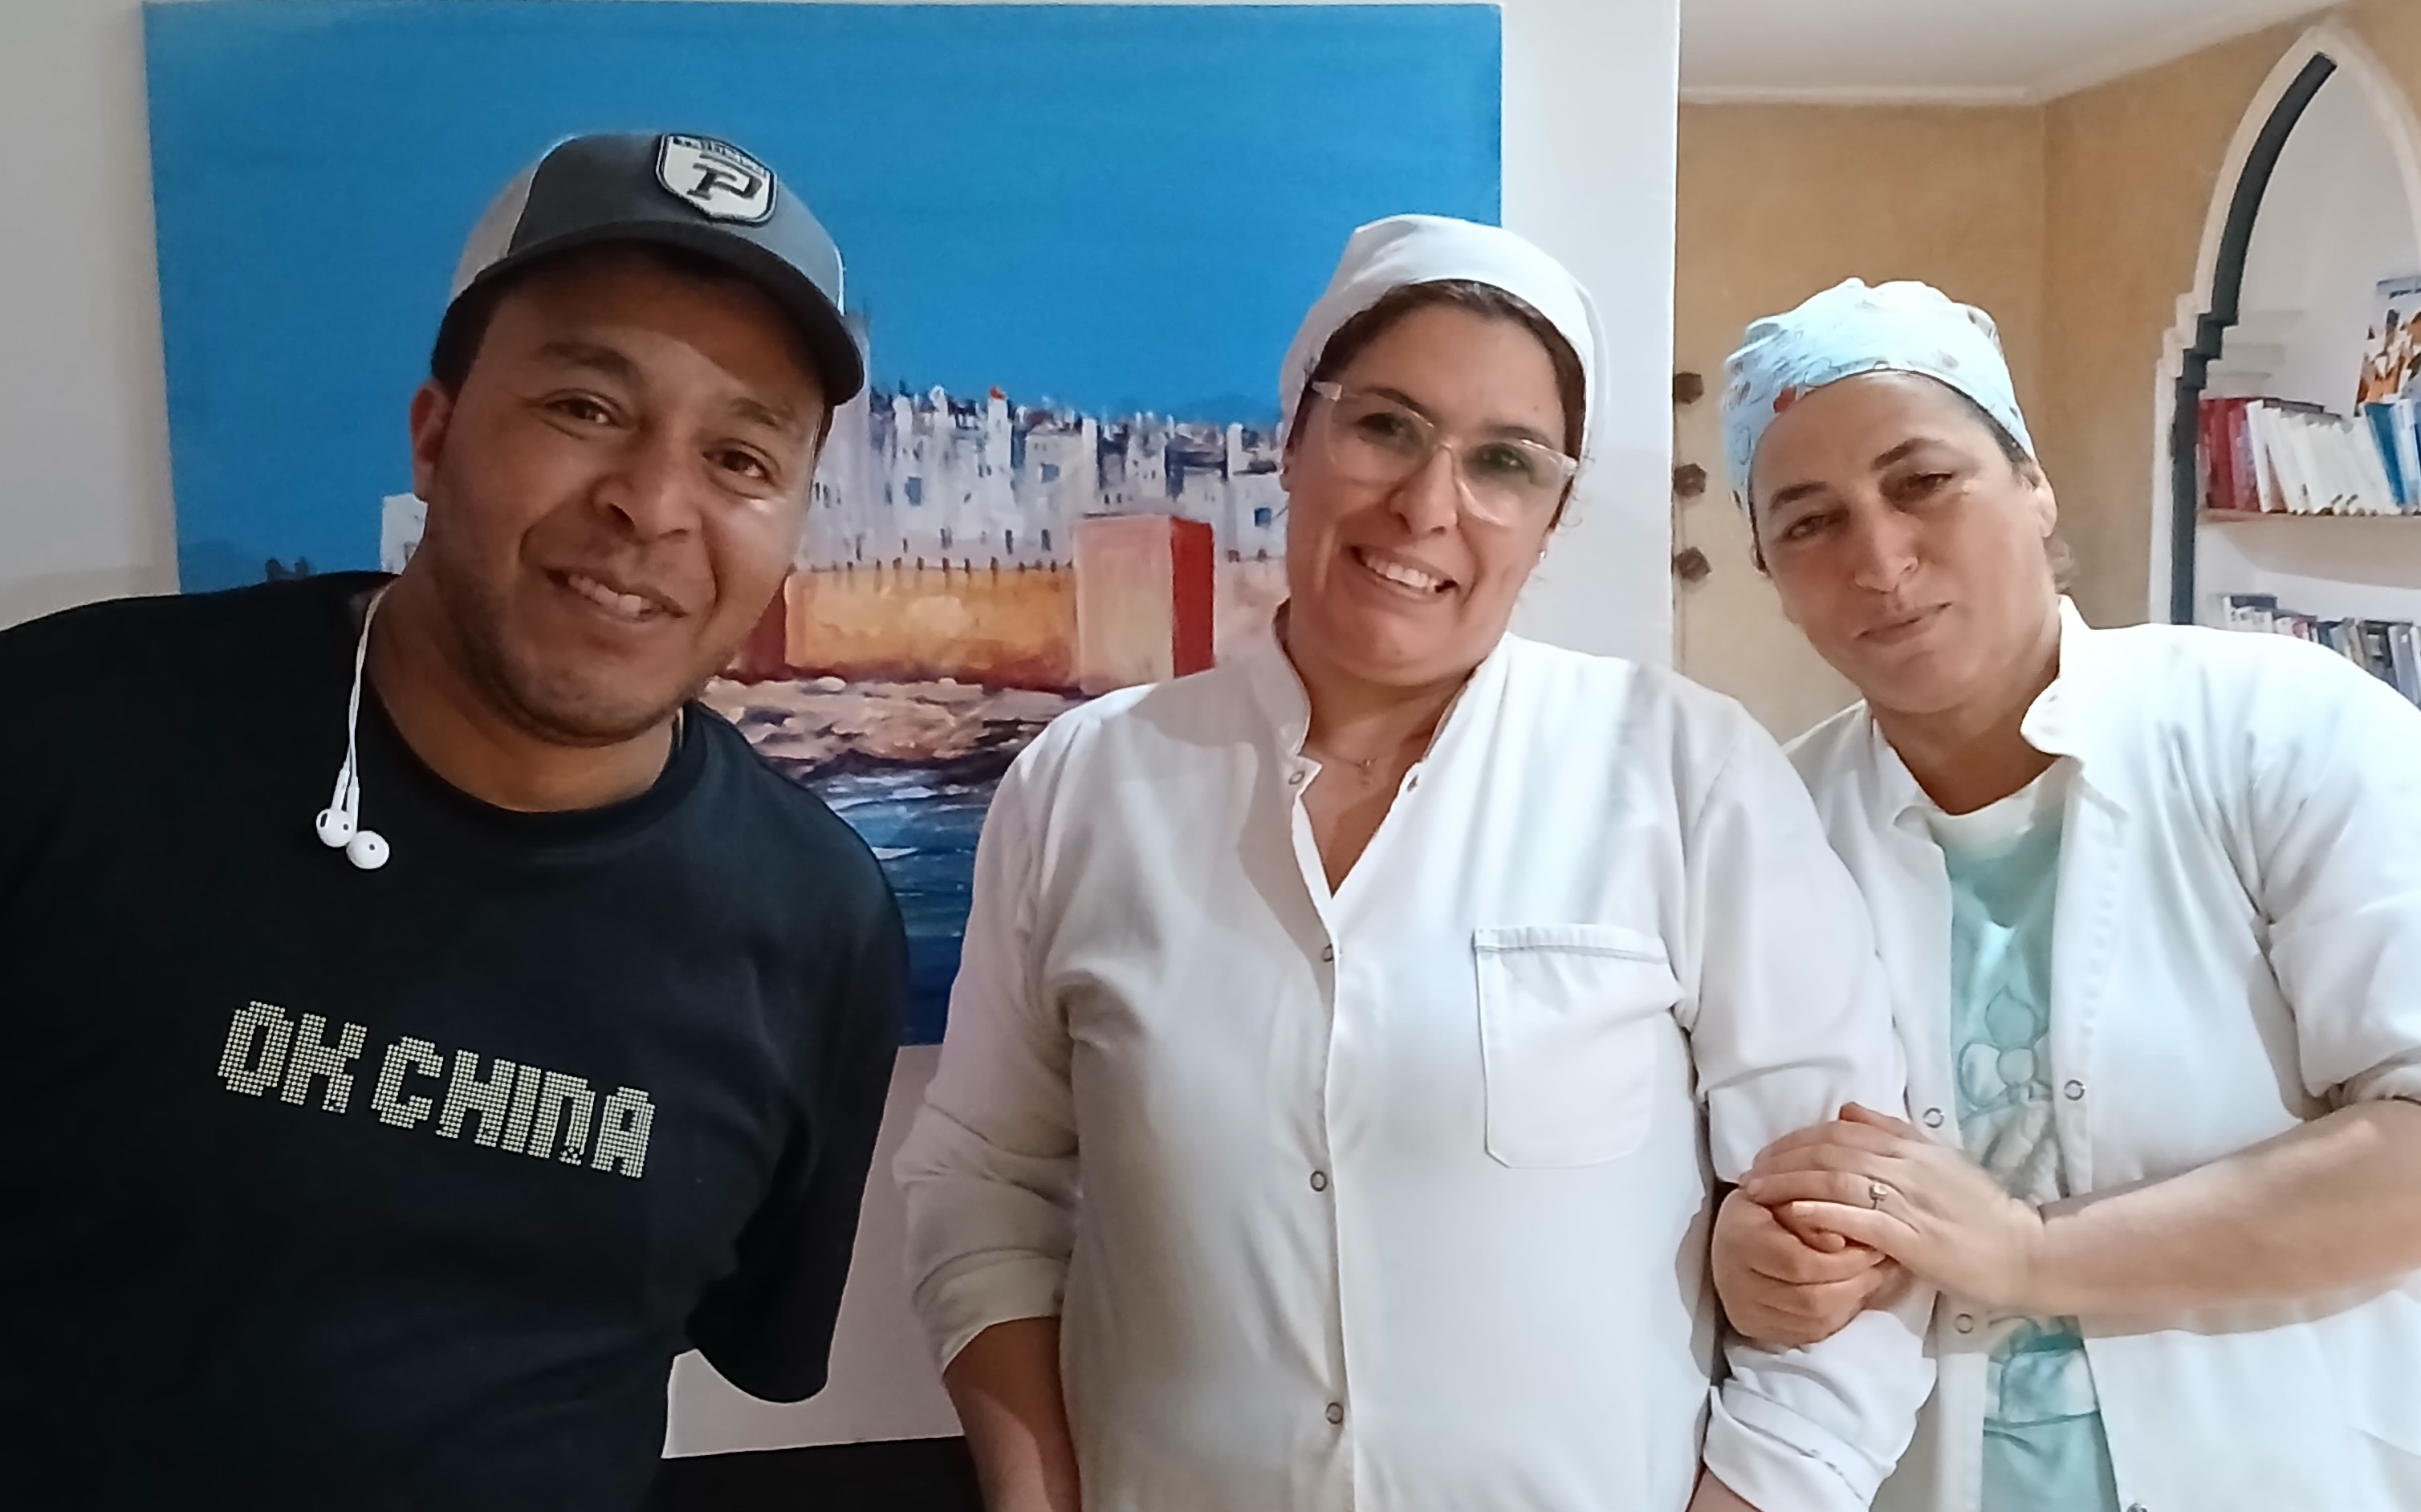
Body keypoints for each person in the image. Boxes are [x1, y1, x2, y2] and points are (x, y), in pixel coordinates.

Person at [893, 216, 1932, 1512]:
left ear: (1551, 515)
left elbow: (1858, 1231)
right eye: (1385, 426)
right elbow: (981, 1182)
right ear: (1293, 443)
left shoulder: (1682, 773)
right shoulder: (1088, 785)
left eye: (1505, 462)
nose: (1429, 507)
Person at [0, 132, 906, 1510]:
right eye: (585, 407)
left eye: (739, 455)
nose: (652, 505)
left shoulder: (815, 920)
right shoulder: (66, 735)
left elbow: (728, 1336)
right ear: (434, 437)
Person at [1708, 278, 2421, 1512]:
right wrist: (1747, 1261)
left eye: (1923, 481)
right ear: (1769, 571)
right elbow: (1737, 1170)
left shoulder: (2284, 731)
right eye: (1810, 521)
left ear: (2033, 484)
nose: (1880, 559)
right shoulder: (1766, 829)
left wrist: (2030, 1255)